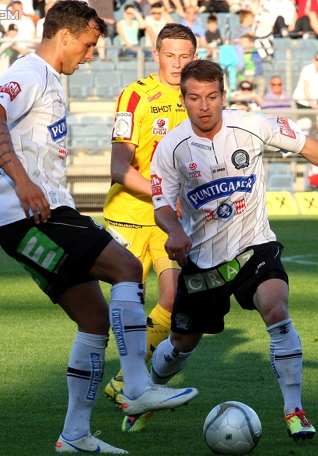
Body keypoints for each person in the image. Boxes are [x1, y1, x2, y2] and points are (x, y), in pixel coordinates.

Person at [0, 3, 197, 454]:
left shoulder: (50, 79)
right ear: (64, 37)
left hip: (36, 215)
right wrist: (22, 181)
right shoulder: (32, 71)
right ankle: (136, 386)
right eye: (89, 44)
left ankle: (75, 434)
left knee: (95, 319)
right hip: (33, 213)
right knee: (126, 268)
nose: (91, 54)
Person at [149, 59, 318, 441]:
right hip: (205, 262)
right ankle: (146, 393)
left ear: (223, 95)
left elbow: (307, 145)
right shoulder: (172, 147)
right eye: (194, 98)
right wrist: (174, 230)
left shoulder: (253, 124)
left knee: (277, 309)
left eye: (211, 97)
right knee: (181, 344)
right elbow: (162, 204)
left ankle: (294, 411)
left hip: (254, 247)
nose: (204, 106)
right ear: (184, 98)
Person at [101, 23, 198, 433]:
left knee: (175, 299)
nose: (177, 63)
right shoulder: (136, 94)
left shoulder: (199, 100)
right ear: (156, 53)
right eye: (170, 54)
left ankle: (126, 381)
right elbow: (119, 168)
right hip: (127, 216)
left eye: (185, 56)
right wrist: (163, 192)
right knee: (129, 306)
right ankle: (126, 386)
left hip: (168, 220)